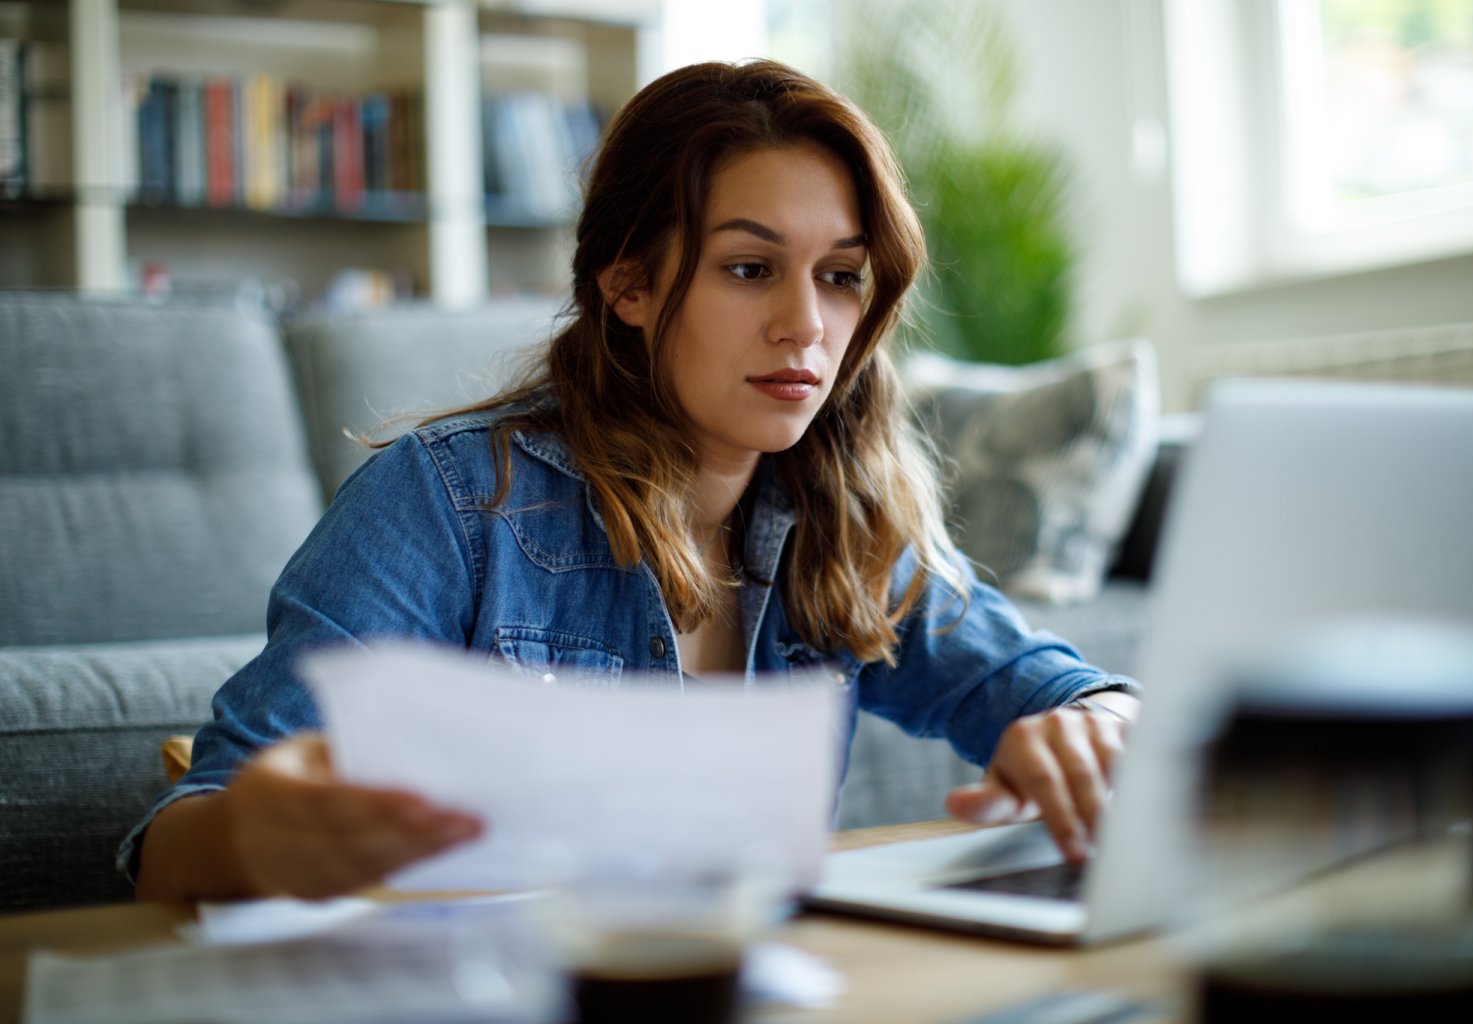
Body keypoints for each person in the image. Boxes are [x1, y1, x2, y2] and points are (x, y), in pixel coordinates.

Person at [124, 59, 1141, 903]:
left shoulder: (842, 519)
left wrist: (1089, 726)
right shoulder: (444, 500)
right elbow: (179, 840)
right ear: (630, 287)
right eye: (750, 269)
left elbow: (1076, 692)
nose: (807, 325)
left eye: (840, 274)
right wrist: (257, 836)